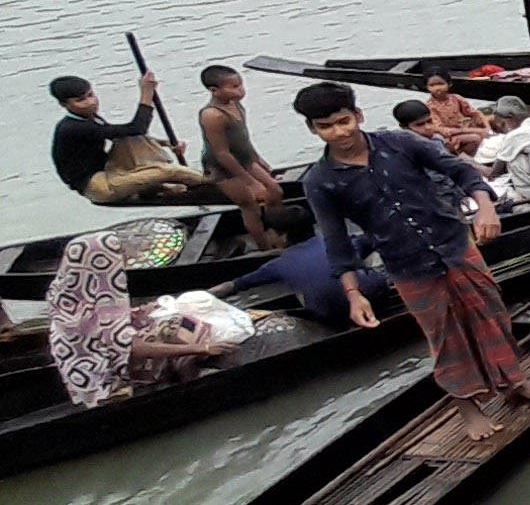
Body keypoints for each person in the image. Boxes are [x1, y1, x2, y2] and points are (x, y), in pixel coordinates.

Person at [293, 80, 530, 441]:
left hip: (455, 244)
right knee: (443, 337)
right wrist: (354, 294)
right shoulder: (320, 181)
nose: (339, 132)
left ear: (358, 116)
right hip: (407, 265)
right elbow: (336, 240)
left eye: (344, 121)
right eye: (326, 127)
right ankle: (467, 407)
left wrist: (485, 207)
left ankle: (513, 381)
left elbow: (460, 171)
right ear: (313, 129)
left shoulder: (401, 143)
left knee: (492, 314)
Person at [45, 229, 223, 407]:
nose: (122, 258)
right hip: (103, 379)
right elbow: (129, 346)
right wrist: (201, 348)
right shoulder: (100, 296)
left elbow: (101, 325)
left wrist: (136, 312)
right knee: (184, 333)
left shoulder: (64, 293)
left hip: (79, 370)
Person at [51, 73, 206, 205]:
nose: (90, 102)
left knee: (127, 138)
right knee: (168, 172)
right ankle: (211, 181)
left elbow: (129, 134)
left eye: (91, 95)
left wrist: (168, 144)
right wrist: (147, 93)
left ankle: (156, 185)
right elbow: (137, 127)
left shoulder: (90, 118)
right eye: (81, 100)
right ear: (64, 104)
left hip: (108, 170)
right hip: (98, 186)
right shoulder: (73, 127)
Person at [211, 231, 390, 327]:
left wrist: (207, 294)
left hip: (332, 315)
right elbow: (375, 238)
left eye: (270, 232)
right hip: (375, 296)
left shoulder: (279, 264)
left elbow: (239, 284)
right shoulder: (337, 241)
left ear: (283, 236)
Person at [198, 64, 286, 250]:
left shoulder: (235, 104)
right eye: (234, 87)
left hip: (244, 159)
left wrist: (257, 158)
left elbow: (242, 137)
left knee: (275, 192)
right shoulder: (212, 115)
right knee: (250, 205)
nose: (241, 90)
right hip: (224, 168)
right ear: (215, 90)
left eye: (240, 85)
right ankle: (264, 248)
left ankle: (277, 232)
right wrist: (250, 182)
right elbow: (221, 153)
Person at [416, 69, 493, 155]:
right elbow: (443, 130)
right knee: (476, 137)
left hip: (464, 128)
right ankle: (462, 156)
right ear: (427, 87)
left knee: (492, 119)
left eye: (440, 84)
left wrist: (487, 127)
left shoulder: (456, 98)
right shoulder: (430, 107)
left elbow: (474, 113)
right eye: (432, 85)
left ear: (449, 84)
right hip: (449, 136)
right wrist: (477, 131)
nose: (437, 88)